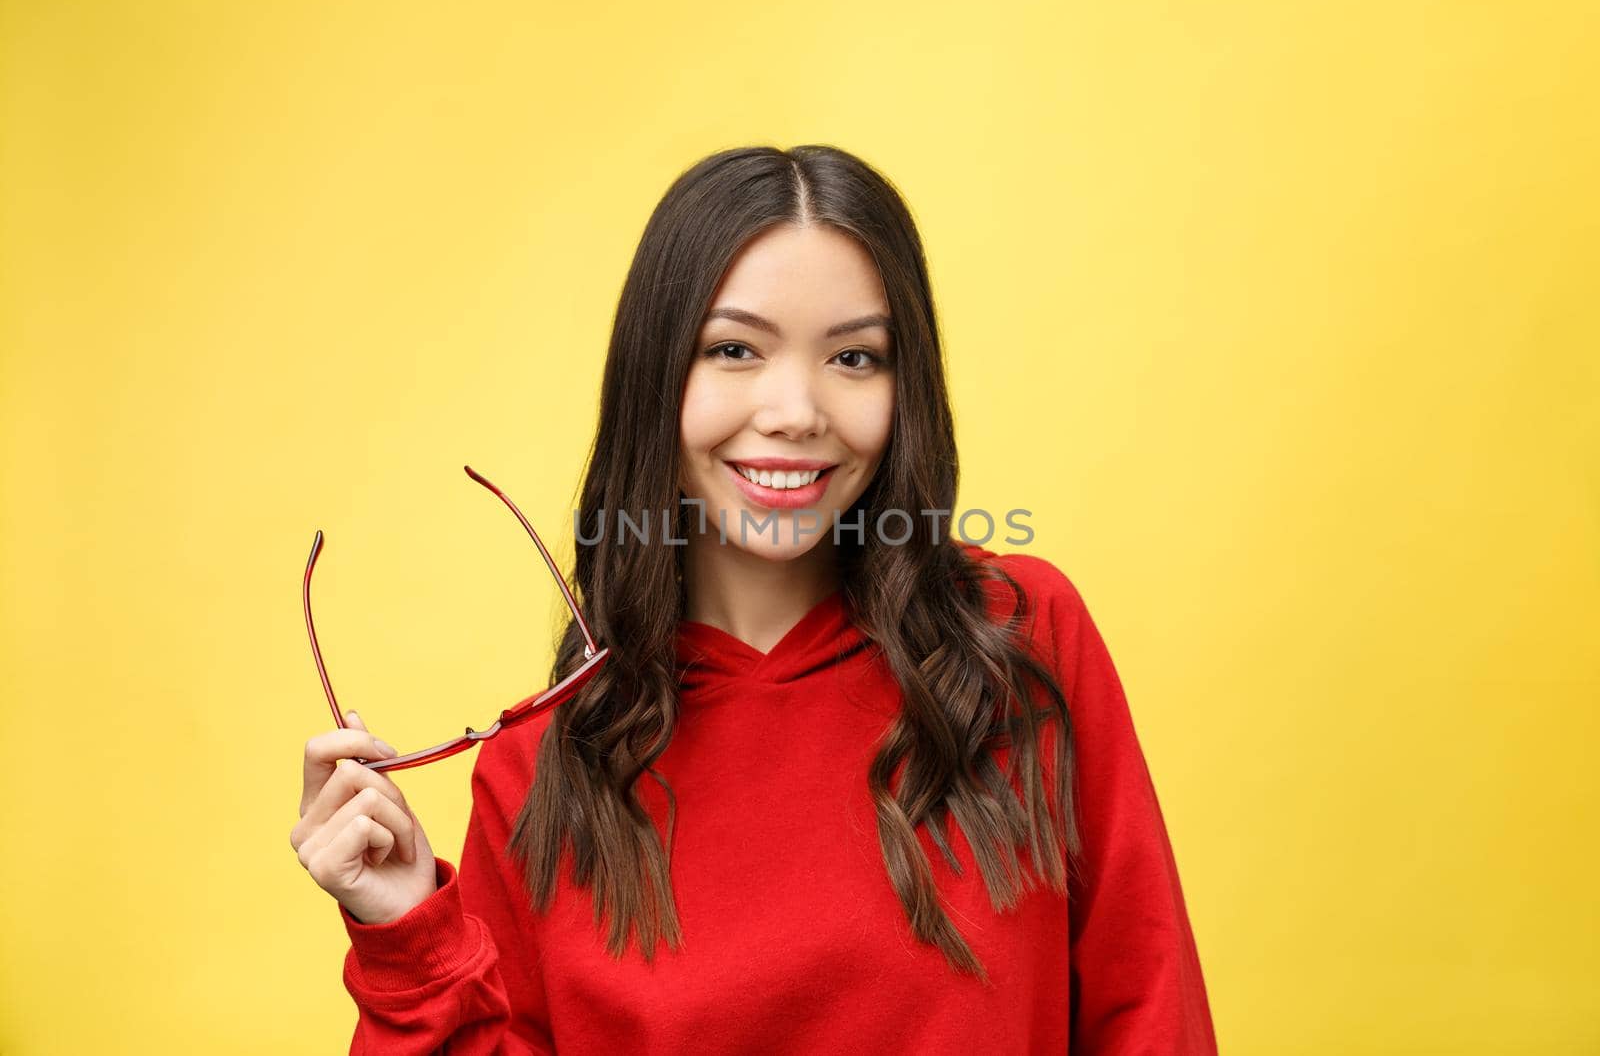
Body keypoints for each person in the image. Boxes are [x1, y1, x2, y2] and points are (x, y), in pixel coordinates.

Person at [289, 144, 1218, 1054]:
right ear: (656, 379)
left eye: (855, 359)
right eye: (734, 349)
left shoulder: (1017, 640)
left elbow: (1151, 1007)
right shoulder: (541, 770)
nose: (796, 410)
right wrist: (410, 932)